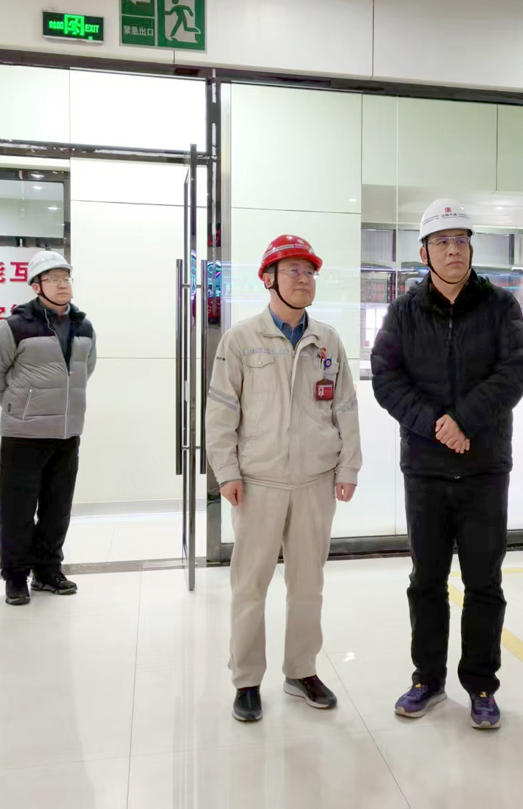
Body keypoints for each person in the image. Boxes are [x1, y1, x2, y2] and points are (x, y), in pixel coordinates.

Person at [371, 199, 523, 729]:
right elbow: (386, 377)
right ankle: (428, 679)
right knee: (427, 581)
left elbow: (514, 371)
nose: (453, 250)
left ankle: (482, 685)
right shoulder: (403, 312)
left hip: (485, 467)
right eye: (442, 242)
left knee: (484, 582)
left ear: (470, 249)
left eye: (461, 241)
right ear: (424, 253)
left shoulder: (501, 306)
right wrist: (435, 423)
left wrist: (463, 420)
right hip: (426, 469)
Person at [206, 234, 362, 723]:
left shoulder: (327, 341)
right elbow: (221, 411)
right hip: (259, 482)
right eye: (293, 270)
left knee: (308, 584)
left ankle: (301, 670)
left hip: (315, 481)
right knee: (249, 586)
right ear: (268, 279)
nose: (304, 279)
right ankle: (247, 679)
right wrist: (226, 472)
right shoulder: (241, 339)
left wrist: (348, 466)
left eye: (310, 271)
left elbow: (346, 408)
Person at [0, 250, 96, 606]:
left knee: (57, 508)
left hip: (67, 432)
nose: (62, 284)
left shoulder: (84, 326)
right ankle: (15, 576)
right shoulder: (12, 327)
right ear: (36, 286)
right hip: (23, 434)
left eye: (66, 277)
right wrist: (20, 407)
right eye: (53, 278)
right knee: (18, 509)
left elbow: (86, 370)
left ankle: (47, 571)